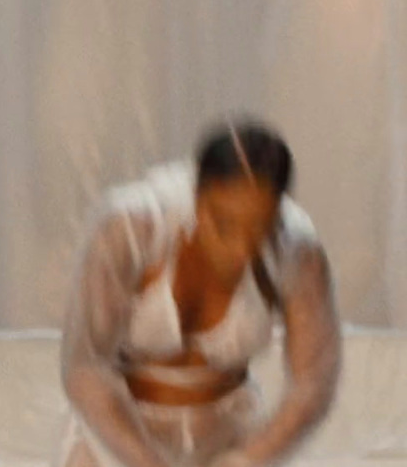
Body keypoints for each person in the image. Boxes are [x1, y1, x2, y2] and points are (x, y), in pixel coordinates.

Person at [60, 119, 342, 467]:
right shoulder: (130, 230)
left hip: (232, 436)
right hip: (119, 438)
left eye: (260, 231)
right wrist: (145, 462)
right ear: (196, 196)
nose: (241, 250)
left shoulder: (298, 250)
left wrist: (245, 460)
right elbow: (85, 366)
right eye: (223, 225)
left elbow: (313, 383)